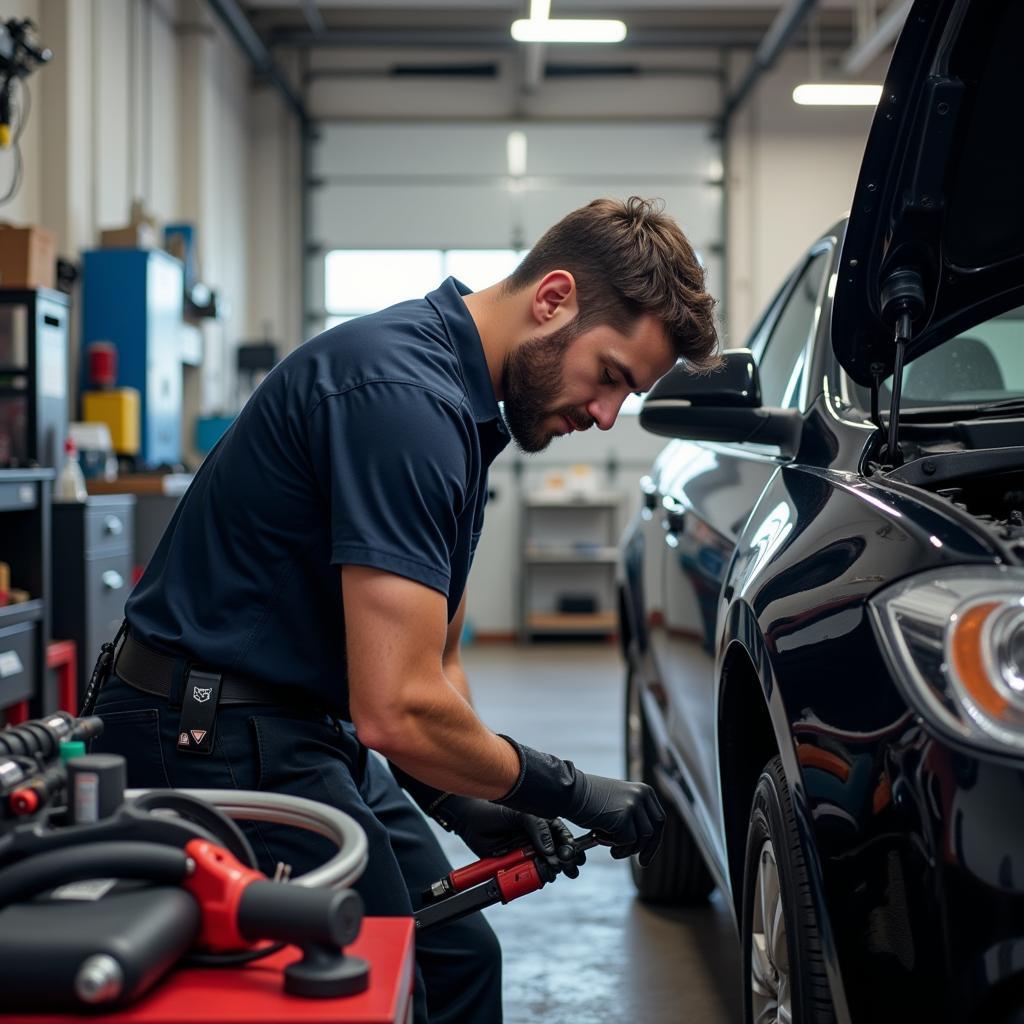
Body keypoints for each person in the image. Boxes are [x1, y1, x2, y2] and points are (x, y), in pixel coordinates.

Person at [89, 196, 719, 1023]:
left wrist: (468, 796)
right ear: (553, 298)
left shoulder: (464, 407)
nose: (605, 417)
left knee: (458, 954)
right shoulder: (405, 401)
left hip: (297, 725)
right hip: (202, 736)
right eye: (609, 377)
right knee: (383, 979)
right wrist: (564, 790)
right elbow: (395, 709)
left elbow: (433, 661)